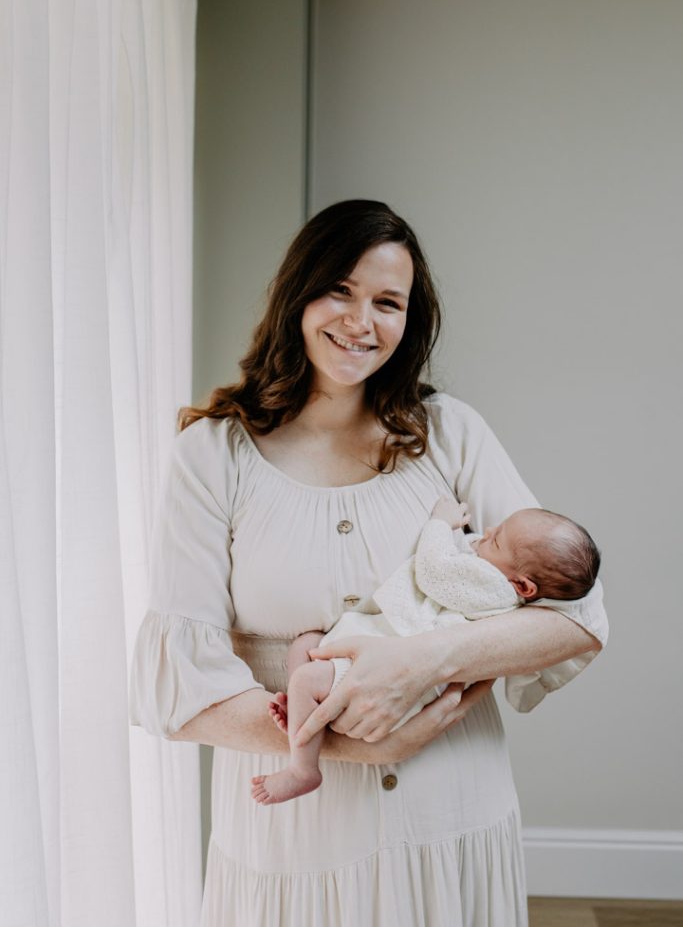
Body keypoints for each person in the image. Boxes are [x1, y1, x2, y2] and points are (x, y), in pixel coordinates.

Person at [129, 199, 608, 927]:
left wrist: (423, 662)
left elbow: (576, 618)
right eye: (340, 290)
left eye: (388, 302)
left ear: (408, 321)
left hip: (450, 813)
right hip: (295, 838)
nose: (361, 322)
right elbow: (182, 691)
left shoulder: (448, 432)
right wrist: (354, 742)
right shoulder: (213, 456)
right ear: (298, 294)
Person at [251, 496, 601, 805]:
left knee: (304, 680)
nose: (487, 531)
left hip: (391, 665)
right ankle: (306, 717)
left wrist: (440, 523)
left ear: (523, 586)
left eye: (496, 540)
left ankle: (302, 769)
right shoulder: (498, 572)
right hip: (378, 641)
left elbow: (435, 571)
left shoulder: (495, 589)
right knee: (306, 645)